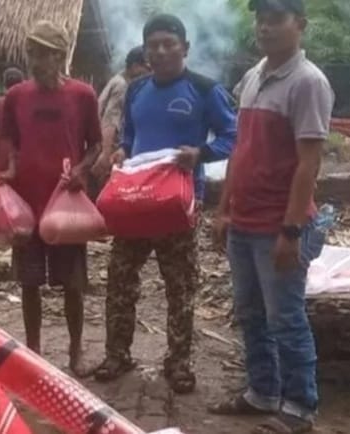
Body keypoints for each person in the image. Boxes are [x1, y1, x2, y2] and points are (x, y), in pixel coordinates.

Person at [93, 14, 237, 394]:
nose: (159, 51)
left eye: (168, 44)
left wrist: (201, 153)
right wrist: (122, 150)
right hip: (136, 203)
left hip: (178, 205)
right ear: (146, 51)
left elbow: (234, 136)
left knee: (180, 287)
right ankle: (117, 354)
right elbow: (131, 133)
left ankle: (178, 364)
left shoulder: (205, 90)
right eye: (153, 45)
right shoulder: (137, 90)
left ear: (184, 49)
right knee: (121, 280)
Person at [210, 1, 334, 432]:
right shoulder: (255, 75)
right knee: (250, 312)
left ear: (299, 25)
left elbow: (308, 164)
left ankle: (300, 408)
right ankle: (262, 392)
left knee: (286, 317)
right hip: (244, 222)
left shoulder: (308, 83)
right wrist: (223, 210)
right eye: (260, 18)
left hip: (278, 225)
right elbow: (239, 149)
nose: (264, 27)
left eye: (275, 19)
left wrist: (292, 231)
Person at [0, 20, 102, 377]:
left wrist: (82, 171)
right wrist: (9, 171)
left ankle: (75, 353)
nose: (35, 60)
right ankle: (34, 352)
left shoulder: (83, 95)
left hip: (66, 207)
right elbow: (10, 142)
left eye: (43, 53)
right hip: (28, 205)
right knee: (29, 283)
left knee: (72, 284)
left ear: (59, 56)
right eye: (32, 52)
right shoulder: (16, 96)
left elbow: (96, 145)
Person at [92, 45, 150, 180]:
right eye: (148, 69)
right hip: (106, 153)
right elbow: (110, 121)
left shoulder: (117, 80)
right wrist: (105, 155)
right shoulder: (123, 87)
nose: (150, 74)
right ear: (135, 66)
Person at [0, 67, 24, 173]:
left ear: (4, 83)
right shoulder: (27, 103)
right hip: (22, 160)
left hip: (2, 159)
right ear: (22, 82)